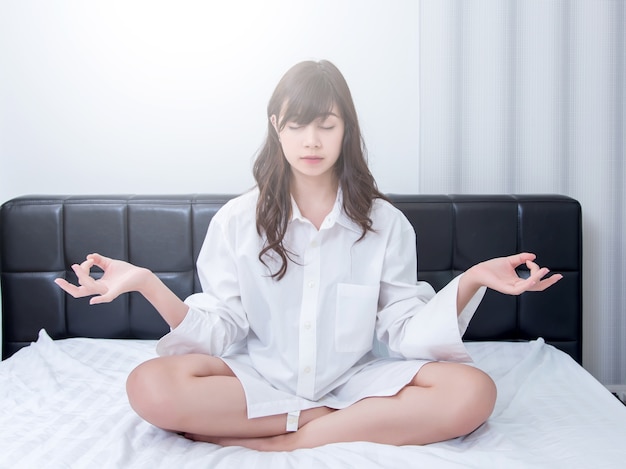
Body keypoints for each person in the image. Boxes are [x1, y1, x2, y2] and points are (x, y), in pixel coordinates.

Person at [55, 60, 562, 452]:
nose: (312, 141)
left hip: (356, 382)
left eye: (326, 125)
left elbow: (405, 333)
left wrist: (472, 279)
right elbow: (218, 331)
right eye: (297, 126)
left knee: (474, 391)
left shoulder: (385, 224)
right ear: (277, 125)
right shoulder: (237, 220)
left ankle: (296, 438)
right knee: (149, 385)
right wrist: (147, 283)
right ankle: (324, 425)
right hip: (260, 380)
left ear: (347, 131)